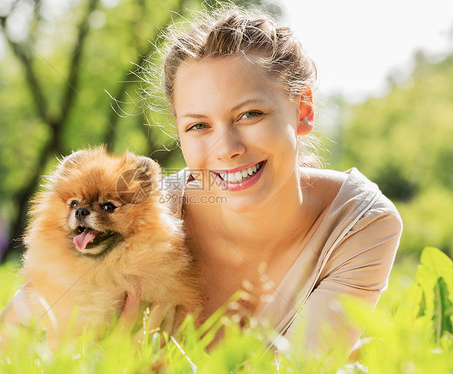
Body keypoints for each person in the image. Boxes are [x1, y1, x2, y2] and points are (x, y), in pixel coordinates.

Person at [120, 5, 402, 356]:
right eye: (199, 126)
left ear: (304, 111)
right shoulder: (134, 217)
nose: (227, 149)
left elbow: (303, 365)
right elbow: (35, 322)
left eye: (250, 114)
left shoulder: (360, 224)